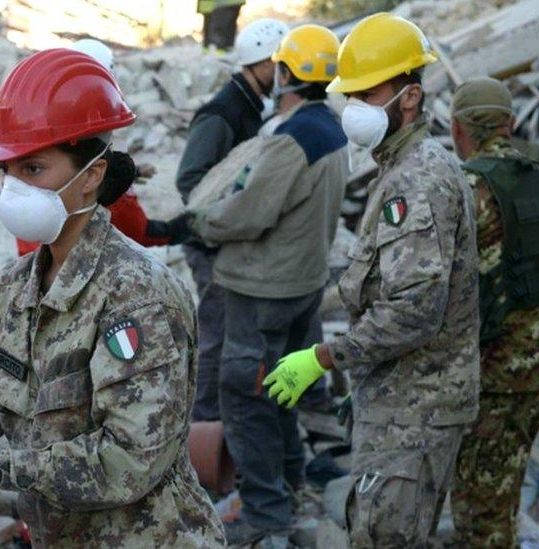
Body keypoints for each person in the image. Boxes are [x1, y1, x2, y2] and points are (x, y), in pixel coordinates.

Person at [0, 48, 225, 547]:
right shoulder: (10, 291)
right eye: (6, 170)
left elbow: (130, 459)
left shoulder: (139, 299)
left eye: (33, 170)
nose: (12, 187)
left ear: (91, 176)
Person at [263, 13, 480, 548]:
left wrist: (324, 358)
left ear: (409, 96)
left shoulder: (418, 180)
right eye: (350, 93)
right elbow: (382, 281)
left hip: (416, 408)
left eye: (366, 92)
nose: (354, 107)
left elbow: (414, 310)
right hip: (400, 400)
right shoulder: (403, 165)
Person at [171, 24, 347, 545]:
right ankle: (289, 479)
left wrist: (189, 227)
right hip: (303, 283)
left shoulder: (291, 139)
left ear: (287, 72)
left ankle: (267, 511)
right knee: (284, 384)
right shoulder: (330, 128)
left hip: (262, 287)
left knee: (246, 395)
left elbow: (247, 214)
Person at [176, 18, 288, 425]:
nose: (283, 75)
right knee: (217, 337)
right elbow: (190, 180)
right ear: (257, 64)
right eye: (278, 65)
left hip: (231, 244)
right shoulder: (222, 111)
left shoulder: (255, 106)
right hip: (210, 247)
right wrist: (232, 216)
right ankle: (205, 427)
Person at [448, 77, 539, 549]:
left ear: (458, 128)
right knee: (511, 481)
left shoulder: (465, 186)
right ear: (508, 122)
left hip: (496, 370)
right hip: (531, 366)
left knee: (481, 509)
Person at [14, 38, 180, 256]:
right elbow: (137, 230)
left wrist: (132, 172)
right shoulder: (98, 157)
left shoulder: (37, 135)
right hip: (77, 270)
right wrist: (178, 229)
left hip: (35, 264)